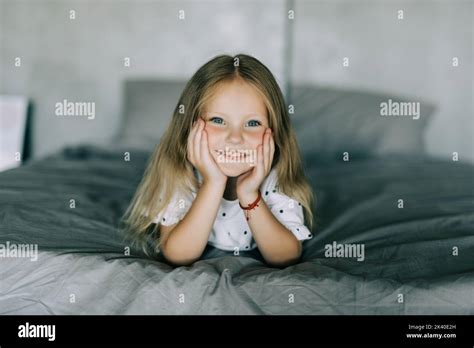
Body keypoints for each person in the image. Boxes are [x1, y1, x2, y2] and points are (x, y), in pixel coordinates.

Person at [122, 54, 314, 267]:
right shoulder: (180, 173)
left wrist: (249, 194)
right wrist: (213, 183)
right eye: (218, 120)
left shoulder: (273, 176)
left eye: (252, 123)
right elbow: (179, 255)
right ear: (190, 127)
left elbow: (286, 256)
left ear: (274, 132)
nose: (235, 137)